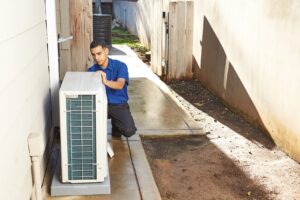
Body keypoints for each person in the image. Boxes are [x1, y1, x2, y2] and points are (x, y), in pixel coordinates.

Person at [88, 40, 136, 137]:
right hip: (99, 106)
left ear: (106, 51)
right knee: (89, 130)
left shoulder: (120, 66)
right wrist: (93, 77)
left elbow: (120, 85)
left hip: (117, 104)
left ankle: (117, 122)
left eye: (99, 53)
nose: (96, 58)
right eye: (93, 55)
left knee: (129, 131)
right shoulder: (91, 71)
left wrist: (105, 82)